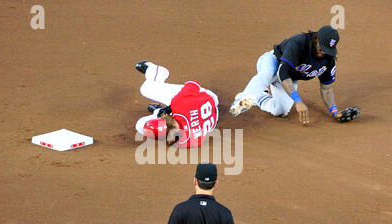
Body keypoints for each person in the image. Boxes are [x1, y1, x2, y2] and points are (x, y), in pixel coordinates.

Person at [229, 25, 360, 124]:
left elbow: (326, 89)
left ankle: (260, 97)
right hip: (273, 62)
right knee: (267, 74)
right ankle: (240, 102)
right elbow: (283, 72)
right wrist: (298, 101)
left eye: (327, 50)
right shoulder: (298, 43)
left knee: (280, 111)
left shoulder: (328, 60)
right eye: (322, 48)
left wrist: (334, 112)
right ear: (317, 38)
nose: (323, 53)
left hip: (289, 79)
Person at [135, 61, 219, 148]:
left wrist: (167, 110)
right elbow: (193, 84)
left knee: (141, 126)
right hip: (209, 98)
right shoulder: (180, 104)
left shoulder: (184, 142)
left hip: (211, 119)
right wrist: (172, 106)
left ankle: (158, 110)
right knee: (146, 90)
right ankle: (158, 73)